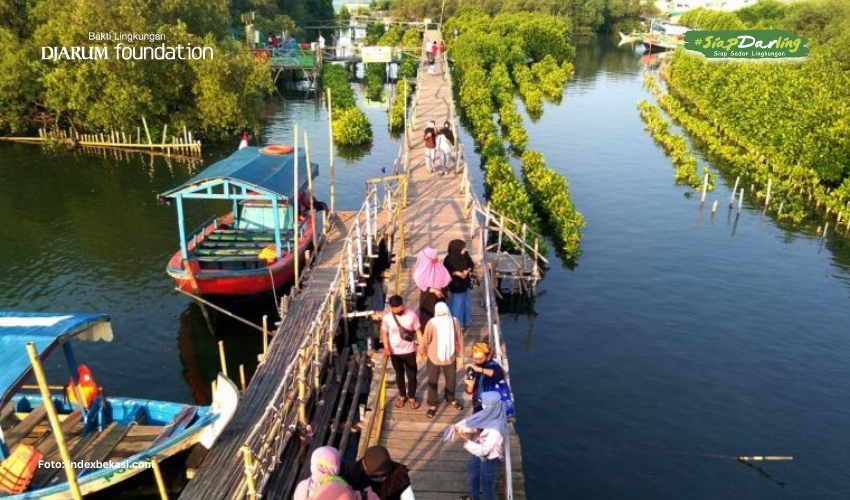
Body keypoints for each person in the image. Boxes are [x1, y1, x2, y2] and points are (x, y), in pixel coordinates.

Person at [443, 392, 506, 500]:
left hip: (489, 459)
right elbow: (478, 426)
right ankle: (474, 497)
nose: (483, 409)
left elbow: (485, 451)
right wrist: (462, 428)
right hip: (477, 446)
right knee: (473, 475)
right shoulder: (493, 411)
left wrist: (467, 441)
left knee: (487, 486)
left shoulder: (496, 429)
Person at [419, 302, 464, 419]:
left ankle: (451, 398)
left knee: (451, 380)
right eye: (440, 314)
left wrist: (461, 357)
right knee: (432, 381)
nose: (442, 316)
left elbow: (459, 339)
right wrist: (420, 352)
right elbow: (425, 340)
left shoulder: (455, 322)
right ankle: (433, 404)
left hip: (450, 357)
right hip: (434, 357)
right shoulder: (431, 323)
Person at [381, 295, 422, 410]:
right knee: (399, 374)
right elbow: (384, 333)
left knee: (412, 375)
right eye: (396, 308)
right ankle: (402, 395)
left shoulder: (412, 315)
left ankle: (412, 397)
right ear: (391, 308)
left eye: (401, 306)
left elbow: (418, 331)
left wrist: (421, 349)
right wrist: (386, 347)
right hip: (395, 352)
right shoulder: (387, 318)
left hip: (409, 351)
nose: (399, 309)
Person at [343, 446, 413, 500]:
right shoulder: (353, 475)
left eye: (384, 475)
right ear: (365, 467)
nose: (380, 478)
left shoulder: (400, 473)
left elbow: (408, 497)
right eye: (374, 476)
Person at [413, 247, 451, 326]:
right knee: (427, 318)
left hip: (440, 297)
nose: (437, 258)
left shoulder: (439, 266)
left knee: (440, 317)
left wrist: (443, 291)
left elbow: (445, 280)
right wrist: (434, 290)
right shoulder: (420, 272)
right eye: (435, 256)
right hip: (427, 297)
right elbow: (422, 286)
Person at [464, 342, 505, 413]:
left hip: (494, 405)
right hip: (478, 405)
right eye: (475, 358)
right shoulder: (472, 369)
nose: (477, 361)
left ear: (488, 356)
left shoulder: (495, 366)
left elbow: (498, 374)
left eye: (480, 358)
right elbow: (469, 391)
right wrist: (470, 386)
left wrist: (479, 369)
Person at [443, 239, 474, 327]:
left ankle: (465, 320)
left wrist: (467, 271)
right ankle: (457, 325)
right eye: (463, 248)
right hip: (455, 286)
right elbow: (446, 273)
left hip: (465, 283)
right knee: (456, 305)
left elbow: (471, 264)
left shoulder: (465, 255)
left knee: (465, 303)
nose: (465, 250)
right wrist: (456, 273)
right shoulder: (448, 260)